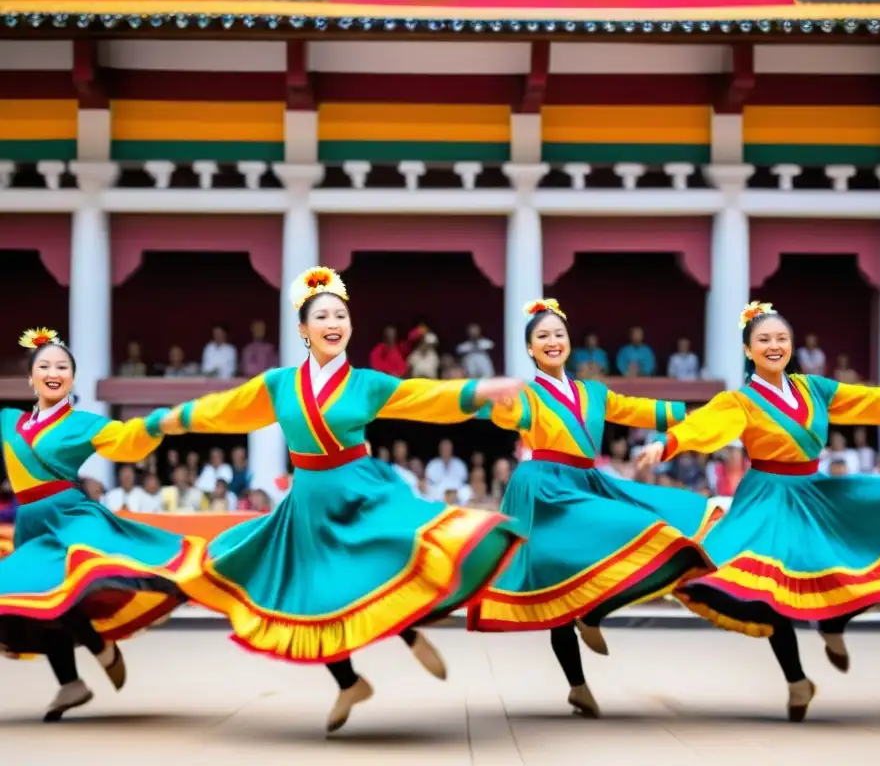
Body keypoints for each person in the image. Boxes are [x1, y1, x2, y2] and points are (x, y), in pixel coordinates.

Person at [159, 267, 525, 733]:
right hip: (309, 504)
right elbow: (228, 408)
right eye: (323, 316)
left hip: (358, 490)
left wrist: (478, 390)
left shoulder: (366, 384)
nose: (333, 322)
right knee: (315, 597)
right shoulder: (278, 384)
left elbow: (421, 395)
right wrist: (176, 418)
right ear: (303, 329)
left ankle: (409, 629)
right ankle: (350, 682)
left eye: (341, 315)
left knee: (384, 558)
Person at [636, 301, 880, 722]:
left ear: (792, 346)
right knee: (769, 590)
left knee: (847, 557)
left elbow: (877, 401)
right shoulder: (741, 401)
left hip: (813, 492)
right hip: (768, 498)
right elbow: (703, 425)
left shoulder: (815, 390)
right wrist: (666, 443)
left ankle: (832, 623)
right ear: (748, 350)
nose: (774, 345)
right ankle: (796, 679)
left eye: (781, 339)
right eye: (764, 340)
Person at [467, 299, 717, 718]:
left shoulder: (594, 393)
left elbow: (637, 409)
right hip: (544, 489)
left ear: (569, 343)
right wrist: (499, 400)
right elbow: (509, 414)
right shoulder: (527, 393)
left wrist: (695, 415)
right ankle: (578, 686)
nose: (551, 341)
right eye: (542, 336)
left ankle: (594, 613)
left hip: (585, 482)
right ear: (530, 349)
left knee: (644, 525)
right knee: (556, 586)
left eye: (558, 335)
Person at [0, 328, 205, 721]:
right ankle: (71, 683)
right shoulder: (9, 422)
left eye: (62, 366)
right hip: (31, 525)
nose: (53, 371)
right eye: (44, 365)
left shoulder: (83, 424)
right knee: (40, 600)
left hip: (68, 518)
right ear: (31, 378)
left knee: (77, 581)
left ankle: (99, 646)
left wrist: (160, 423)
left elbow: (128, 438)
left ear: (72, 379)